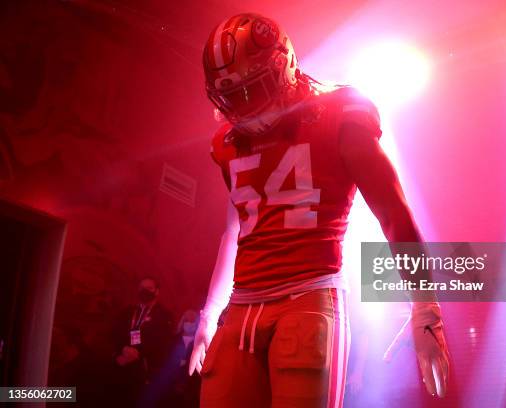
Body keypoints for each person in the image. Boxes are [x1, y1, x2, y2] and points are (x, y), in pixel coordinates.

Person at [189, 13, 450, 407]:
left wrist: (425, 304)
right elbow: (236, 231)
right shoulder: (226, 141)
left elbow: (393, 211)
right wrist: (211, 312)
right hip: (242, 304)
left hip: (308, 294)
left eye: (254, 89)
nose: (245, 107)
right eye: (233, 96)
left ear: (283, 66)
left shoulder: (338, 111)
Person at [111, 276, 174, 407]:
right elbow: (115, 333)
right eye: (142, 288)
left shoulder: (164, 316)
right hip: (123, 366)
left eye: (149, 288)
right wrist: (122, 349)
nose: (145, 291)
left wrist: (138, 353)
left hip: (147, 370)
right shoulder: (128, 312)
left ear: (157, 291)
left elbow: (163, 342)